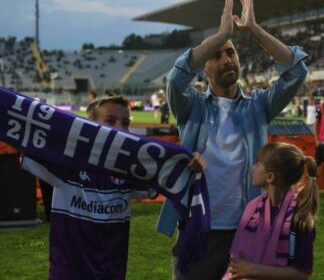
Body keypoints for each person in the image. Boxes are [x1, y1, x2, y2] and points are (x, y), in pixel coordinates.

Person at [164, 0, 308, 279]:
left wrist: (253, 30)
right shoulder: (190, 106)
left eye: (231, 52)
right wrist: (220, 36)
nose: (227, 59)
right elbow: (176, 77)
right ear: (204, 68)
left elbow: (296, 72)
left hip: (249, 228)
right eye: (217, 56)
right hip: (199, 226)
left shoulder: (259, 106)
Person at [21, 95, 205, 280]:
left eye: (125, 123)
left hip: (111, 273)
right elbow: (24, 135)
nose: (119, 128)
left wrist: (189, 164)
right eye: (110, 121)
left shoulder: (132, 168)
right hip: (68, 273)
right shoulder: (68, 161)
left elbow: (171, 174)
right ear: (89, 126)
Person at [223, 142, 318, 280]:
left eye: (258, 163)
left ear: (270, 177)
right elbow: (237, 262)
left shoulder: (300, 217)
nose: (252, 168)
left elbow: (302, 273)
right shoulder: (252, 208)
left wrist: (253, 270)